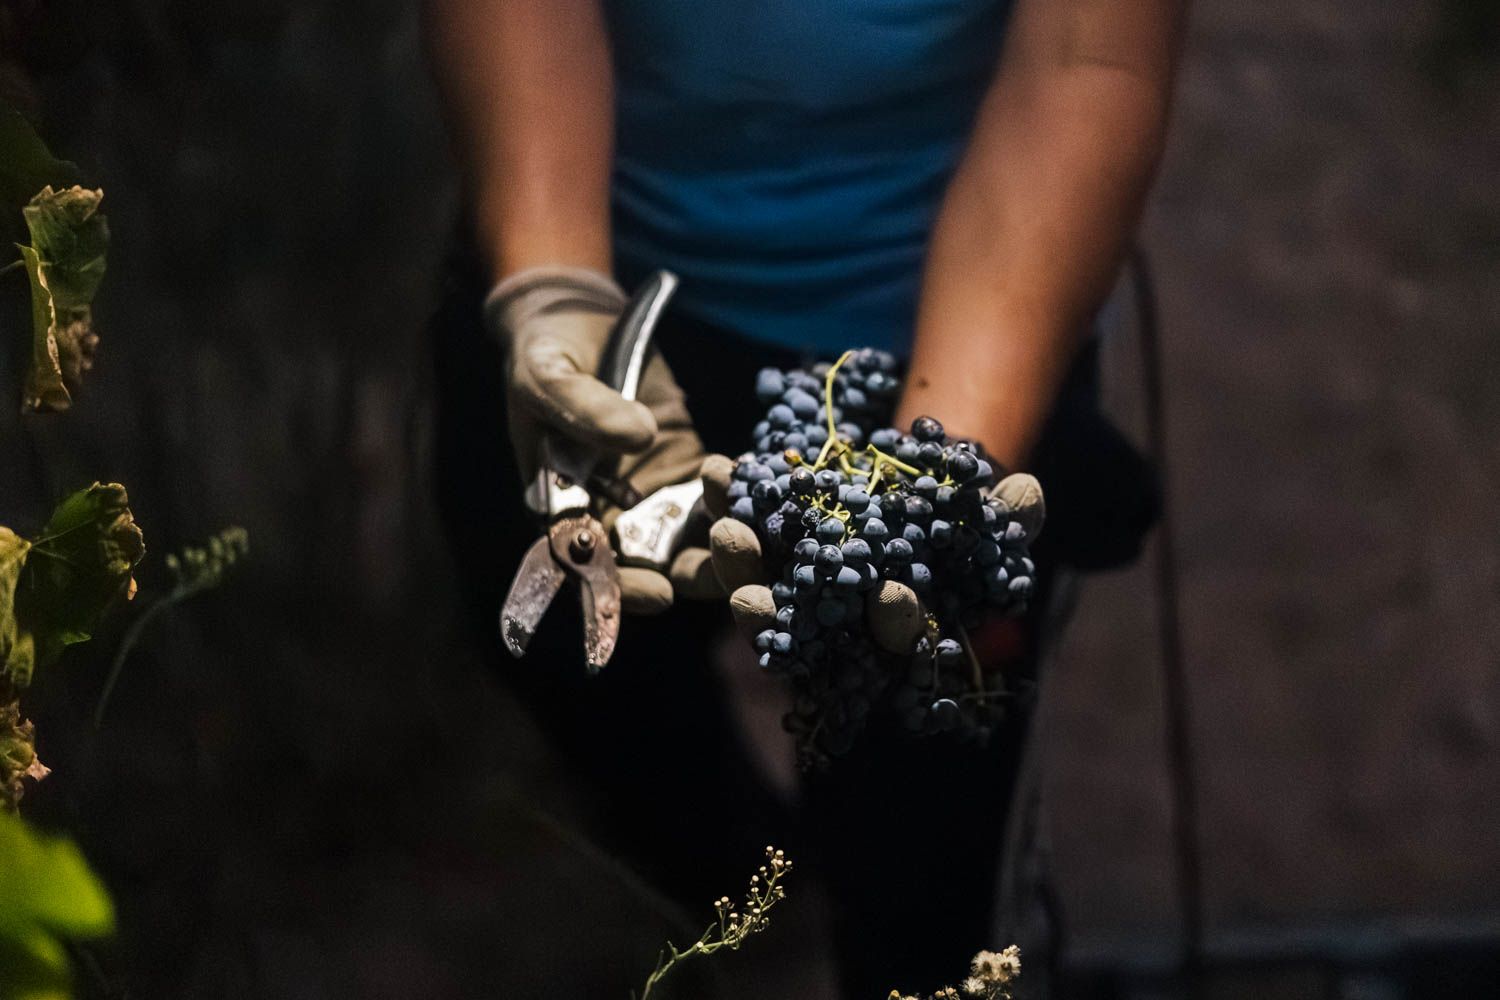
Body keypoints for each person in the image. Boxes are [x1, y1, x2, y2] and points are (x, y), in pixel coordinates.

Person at [422, 1, 1180, 995]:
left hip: (938, 316)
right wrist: (560, 308)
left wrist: (939, 473)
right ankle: (750, 897)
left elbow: (1086, 62)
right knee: (555, 627)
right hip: (632, 265)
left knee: (921, 830)